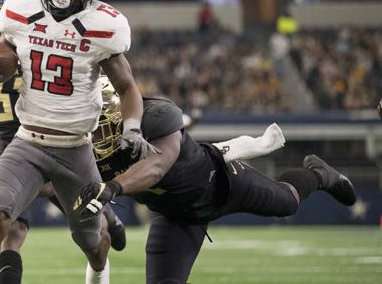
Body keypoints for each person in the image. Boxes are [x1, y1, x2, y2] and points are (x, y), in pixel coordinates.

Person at [0, 0, 160, 284]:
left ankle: (99, 268)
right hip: (27, 142)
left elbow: (128, 87)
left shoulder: (104, 25)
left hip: (75, 149)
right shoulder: (19, 11)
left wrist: (132, 128)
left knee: (90, 242)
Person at [77, 78, 357, 284]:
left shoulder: (157, 116)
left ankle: (321, 174)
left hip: (220, 182)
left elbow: (156, 168)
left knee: (288, 202)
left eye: (99, 124)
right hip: (177, 216)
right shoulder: (85, 149)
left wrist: (113, 187)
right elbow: (55, 180)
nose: (96, 136)